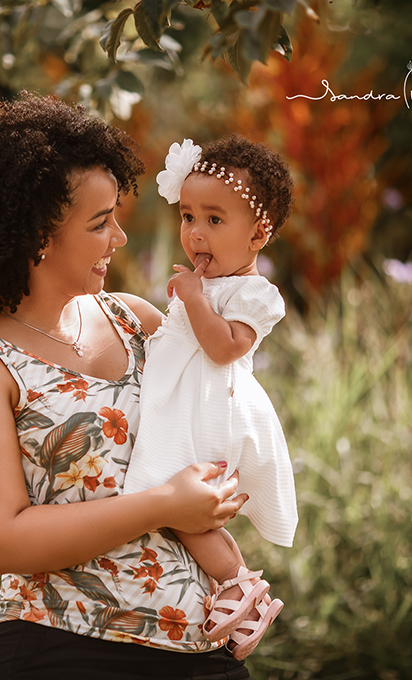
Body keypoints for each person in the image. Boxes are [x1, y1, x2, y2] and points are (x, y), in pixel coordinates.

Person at [0, 93, 252, 679]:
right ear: (38, 235)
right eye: (101, 223)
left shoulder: (139, 322)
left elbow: (204, 440)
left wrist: (238, 583)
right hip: (63, 650)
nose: (120, 239)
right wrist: (164, 504)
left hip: (202, 651)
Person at [122, 136, 299, 660]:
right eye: (188, 216)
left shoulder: (253, 294)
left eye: (215, 221)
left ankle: (240, 583)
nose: (196, 233)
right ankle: (235, 590)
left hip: (207, 410)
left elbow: (224, 348)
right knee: (170, 501)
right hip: (177, 402)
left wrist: (195, 302)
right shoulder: (202, 285)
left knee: (177, 501)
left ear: (257, 235)